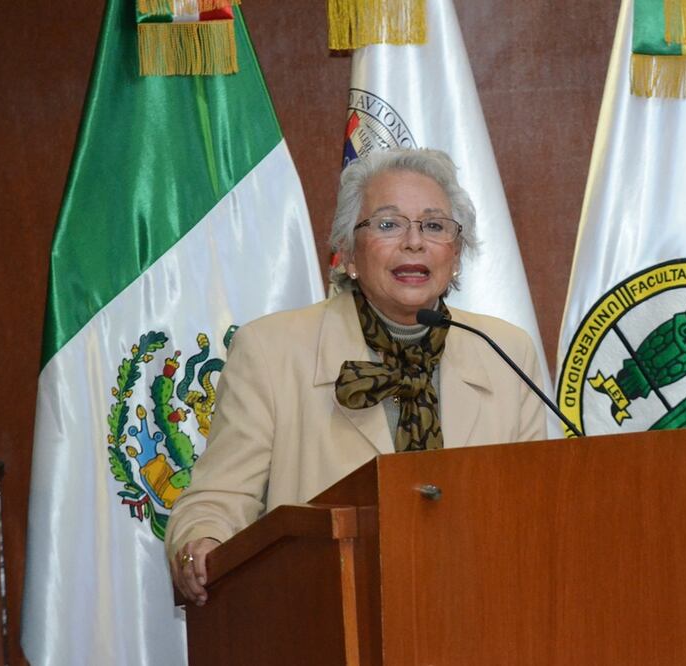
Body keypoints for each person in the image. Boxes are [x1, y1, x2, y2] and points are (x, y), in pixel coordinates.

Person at [166, 148, 548, 605]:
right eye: (388, 224)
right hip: (327, 613)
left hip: (479, 612)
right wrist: (201, 543)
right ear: (347, 252)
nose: (414, 242)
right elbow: (217, 498)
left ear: (457, 254)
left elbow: (536, 508)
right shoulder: (272, 350)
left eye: (433, 225)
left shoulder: (505, 349)